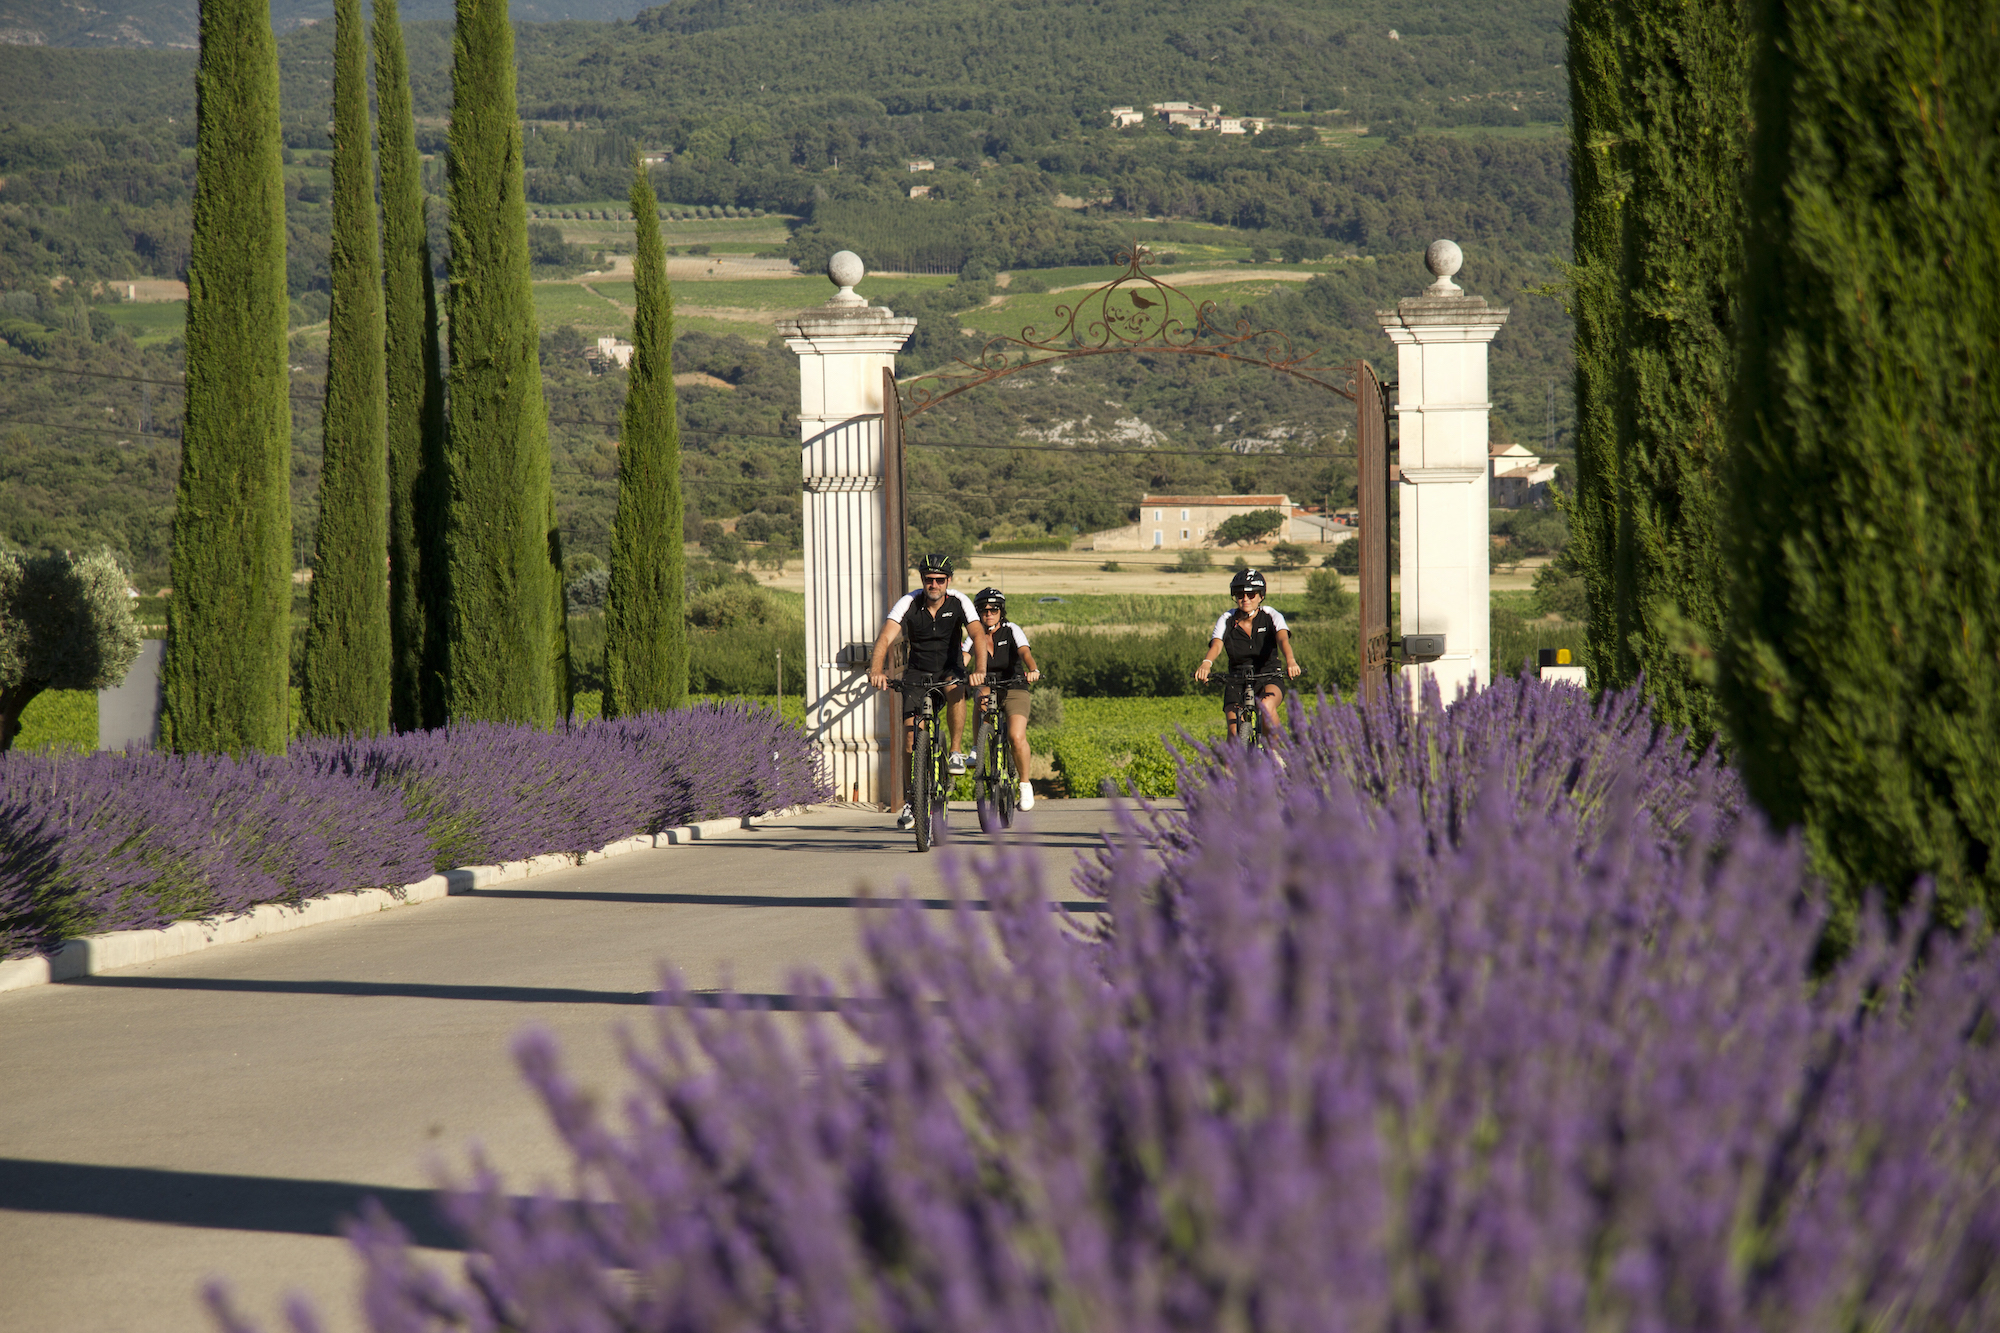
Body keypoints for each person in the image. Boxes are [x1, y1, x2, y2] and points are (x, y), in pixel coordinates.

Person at [868, 553, 990, 829]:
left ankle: (955, 750)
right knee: (910, 738)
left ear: (948, 580)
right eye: (928, 579)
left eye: (939, 580)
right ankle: (911, 799)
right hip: (918, 673)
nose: (933, 584)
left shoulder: (959, 602)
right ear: (922, 579)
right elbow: (885, 636)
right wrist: (876, 670)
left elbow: (978, 635)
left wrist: (980, 669)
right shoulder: (909, 602)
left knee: (954, 686)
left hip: (949, 668)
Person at [1193, 567, 1300, 739]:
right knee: (1234, 731)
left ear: (1261, 596)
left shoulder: (1271, 615)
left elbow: (1283, 639)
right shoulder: (1227, 619)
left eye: (1251, 595)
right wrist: (1206, 664)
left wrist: (1291, 661)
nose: (1245, 599)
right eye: (1240, 595)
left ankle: (1275, 750)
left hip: (1268, 675)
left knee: (1266, 706)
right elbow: (1217, 645)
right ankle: (1236, 756)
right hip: (1237, 679)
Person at [964, 587, 1040, 812]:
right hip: (989, 686)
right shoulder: (974, 634)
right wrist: (957, 674)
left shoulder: (1011, 629)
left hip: (1014, 686)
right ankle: (977, 747)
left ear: (1001, 611)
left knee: (1016, 736)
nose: (989, 614)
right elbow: (964, 656)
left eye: (994, 609)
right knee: (981, 697)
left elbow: (1025, 652)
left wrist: (1033, 669)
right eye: (984, 610)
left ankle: (1025, 785)